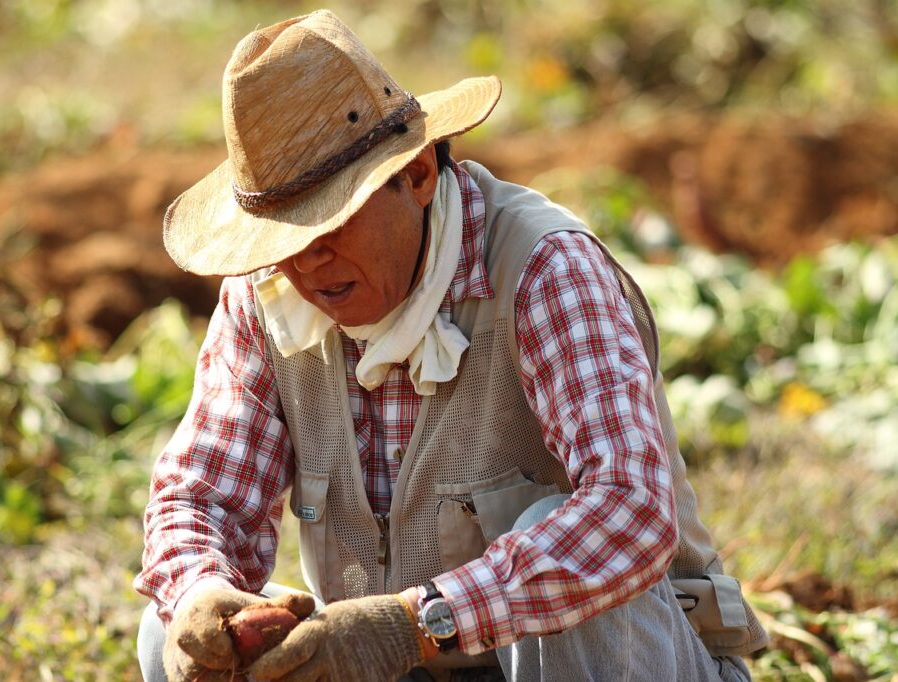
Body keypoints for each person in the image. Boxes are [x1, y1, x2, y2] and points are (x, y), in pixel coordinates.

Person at [134, 9, 768, 682]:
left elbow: (630, 509)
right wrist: (202, 592)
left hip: (613, 662)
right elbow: (202, 499)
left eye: (332, 222)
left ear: (417, 176)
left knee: (573, 546)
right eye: (284, 239)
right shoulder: (266, 298)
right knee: (174, 630)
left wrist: (417, 622)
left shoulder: (543, 269)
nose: (309, 262)